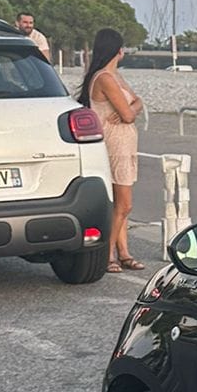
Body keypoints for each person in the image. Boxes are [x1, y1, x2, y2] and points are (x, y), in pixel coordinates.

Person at [80, 28, 144, 270]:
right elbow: (128, 113)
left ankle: (124, 251)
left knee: (121, 202)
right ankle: (107, 253)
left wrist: (132, 109)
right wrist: (129, 111)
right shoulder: (105, 78)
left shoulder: (116, 77)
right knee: (123, 203)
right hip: (115, 143)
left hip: (126, 143)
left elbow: (138, 103)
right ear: (119, 50)